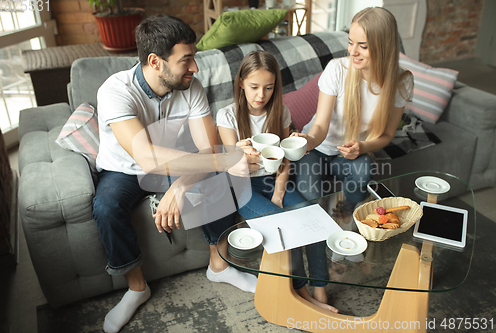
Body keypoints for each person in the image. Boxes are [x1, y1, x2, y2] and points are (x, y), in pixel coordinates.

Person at [93, 15, 259, 333]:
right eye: (187, 59)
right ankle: (137, 288)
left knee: (216, 178)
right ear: (156, 61)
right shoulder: (116, 91)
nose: (195, 68)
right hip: (124, 170)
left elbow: (209, 149)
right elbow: (147, 157)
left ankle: (219, 265)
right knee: (105, 207)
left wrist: (182, 185)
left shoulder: (190, 86)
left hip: (175, 162)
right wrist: (225, 161)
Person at [216, 50, 337, 313]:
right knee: (285, 225)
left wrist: (279, 193)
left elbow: (284, 159)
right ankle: (302, 293)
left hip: (274, 181)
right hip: (242, 187)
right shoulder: (226, 116)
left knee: (311, 217)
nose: (261, 95)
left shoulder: (280, 111)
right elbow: (231, 163)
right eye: (254, 87)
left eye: (268, 88)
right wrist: (238, 151)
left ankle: (320, 290)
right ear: (241, 84)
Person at [293, 7, 413, 215]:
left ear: (384, 47)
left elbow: (386, 135)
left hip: (350, 153)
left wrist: (362, 146)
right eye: (350, 42)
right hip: (318, 148)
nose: (352, 51)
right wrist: (308, 141)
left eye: (363, 46)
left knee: (364, 173)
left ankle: (347, 210)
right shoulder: (337, 69)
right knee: (307, 191)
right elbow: (320, 125)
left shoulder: (402, 82)